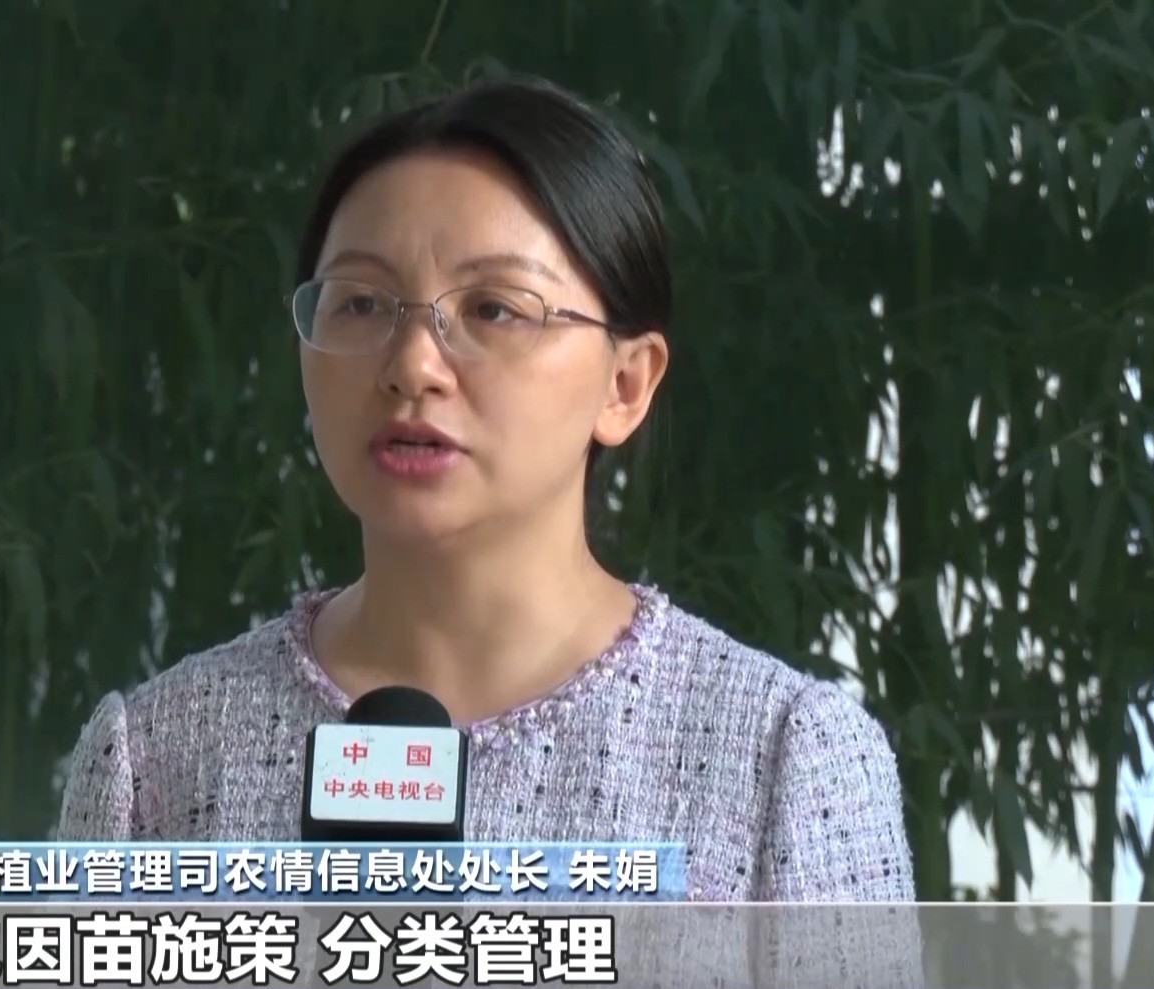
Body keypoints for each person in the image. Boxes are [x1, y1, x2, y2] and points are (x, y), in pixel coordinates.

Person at [55, 75, 915, 902]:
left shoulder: (783, 759)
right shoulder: (154, 760)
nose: (412, 366)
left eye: (494, 309)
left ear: (625, 384)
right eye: (361, 305)